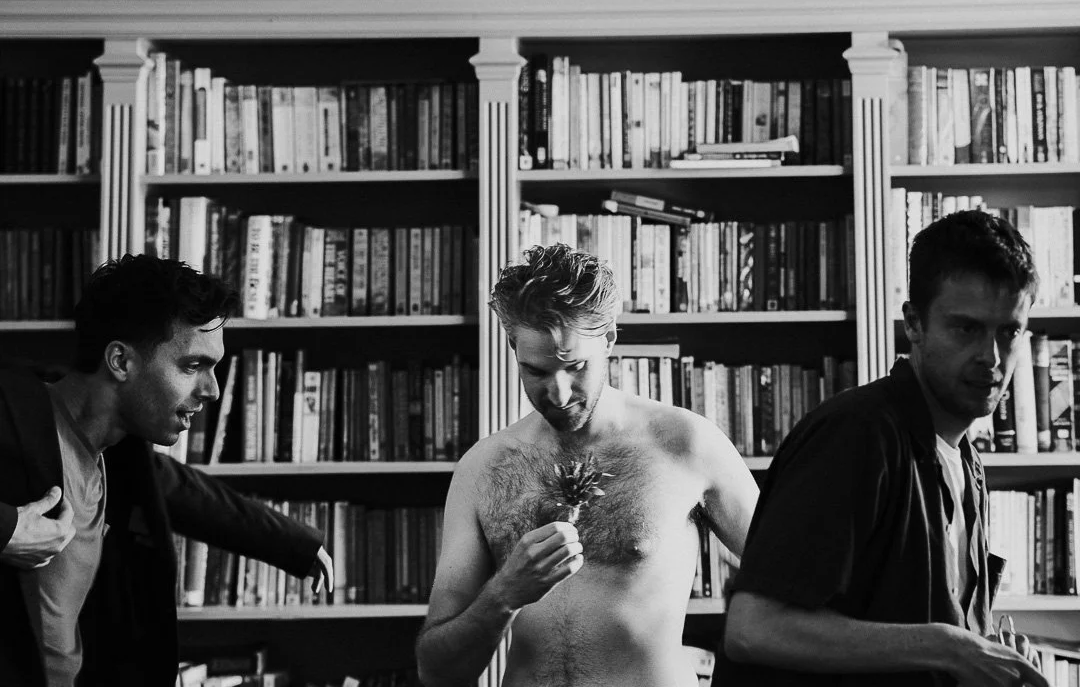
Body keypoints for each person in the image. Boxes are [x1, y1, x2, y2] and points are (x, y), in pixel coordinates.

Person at [720, 210, 1048, 687]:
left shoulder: (965, 460)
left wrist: (988, 657)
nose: (991, 357)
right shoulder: (857, 434)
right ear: (914, 323)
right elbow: (753, 628)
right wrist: (950, 647)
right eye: (966, 328)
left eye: (1008, 331)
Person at [415, 243, 759, 687]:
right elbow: (437, 673)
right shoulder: (483, 469)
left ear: (610, 338)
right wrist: (503, 594)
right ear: (511, 346)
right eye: (536, 372)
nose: (557, 394)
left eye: (575, 366)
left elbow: (794, 593)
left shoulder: (686, 444)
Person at [0, 254, 334, 687]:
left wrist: (296, 544)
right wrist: (6, 528)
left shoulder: (118, 457)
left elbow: (188, 494)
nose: (212, 391)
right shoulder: (12, 413)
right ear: (120, 361)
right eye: (193, 366)